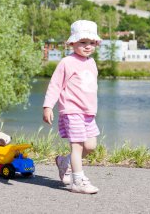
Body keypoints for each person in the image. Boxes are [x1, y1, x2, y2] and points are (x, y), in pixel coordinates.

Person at [43, 20, 102, 194]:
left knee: (90, 146)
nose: (88, 46)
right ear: (73, 42)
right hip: (71, 111)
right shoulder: (66, 62)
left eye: (91, 43)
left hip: (88, 113)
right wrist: (48, 106)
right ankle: (78, 181)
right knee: (77, 146)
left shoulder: (91, 63)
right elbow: (55, 85)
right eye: (83, 42)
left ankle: (64, 162)